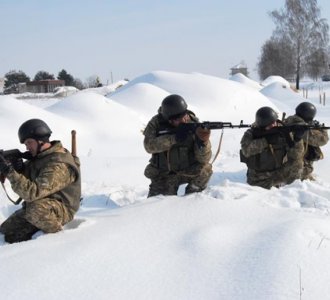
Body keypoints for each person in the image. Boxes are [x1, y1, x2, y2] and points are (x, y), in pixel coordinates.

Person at [0, 119, 81, 243]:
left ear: (41, 140)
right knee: (5, 231)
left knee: (34, 209)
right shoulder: (40, 157)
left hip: (60, 210)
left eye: (29, 142)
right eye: (25, 144)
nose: (27, 147)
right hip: (41, 206)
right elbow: (29, 180)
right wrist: (19, 169)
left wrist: (10, 172)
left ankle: (55, 239)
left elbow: (33, 192)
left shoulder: (59, 164)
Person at [143, 94, 213, 197]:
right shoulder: (156, 123)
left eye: (184, 116)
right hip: (164, 174)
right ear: (169, 119)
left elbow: (204, 159)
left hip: (187, 170)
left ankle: (191, 199)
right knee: (158, 206)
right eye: (178, 119)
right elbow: (148, 146)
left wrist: (203, 142)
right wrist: (173, 139)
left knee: (205, 169)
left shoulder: (193, 124)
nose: (184, 120)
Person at [240, 106, 304, 189]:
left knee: (297, 163)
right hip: (259, 177)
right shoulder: (251, 133)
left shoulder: (283, 131)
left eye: (274, 122)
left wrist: (298, 139)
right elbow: (246, 151)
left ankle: (293, 189)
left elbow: (296, 154)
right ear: (262, 125)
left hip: (278, 172)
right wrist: (266, 141)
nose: (274, 125)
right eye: (270, 125)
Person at [284, 102, 329, 180]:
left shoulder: (288, 121)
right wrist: (322, 129)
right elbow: (323, 140)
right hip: (294, 167)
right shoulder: (301, 128)